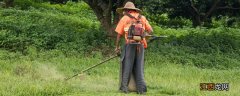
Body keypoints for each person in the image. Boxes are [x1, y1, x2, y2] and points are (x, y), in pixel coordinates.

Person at [114, 1, 153, 94]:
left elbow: (119, 35)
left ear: (127, 10)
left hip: (129, 45)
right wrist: (143, 37)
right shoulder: (142, 18)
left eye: (124, 10)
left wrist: (117, 47)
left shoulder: (124, 19)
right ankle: (141, 90)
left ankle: (124, 88)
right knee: (139, 68)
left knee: (127, 66)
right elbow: (150, 30)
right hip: (140, 45)